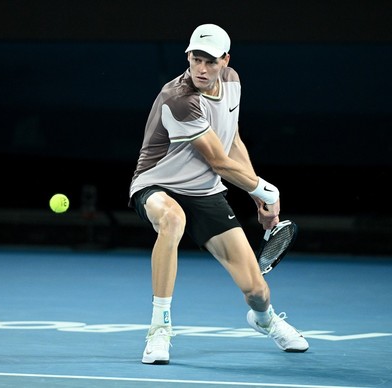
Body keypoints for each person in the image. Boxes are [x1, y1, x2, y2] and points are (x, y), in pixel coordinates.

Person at [128, 23, 309, 365]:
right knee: (172, 219)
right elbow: (218, 160)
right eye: (196, 59)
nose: (201, 68)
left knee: (256, 291)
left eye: (210, 61)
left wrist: (255, 189)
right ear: (188, 57)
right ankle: (159, 330)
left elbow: (232, 140)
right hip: (157, 184)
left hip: (205, 192)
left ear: (225, 60)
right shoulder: (179, 98)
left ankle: (265, 319)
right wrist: (268, 192)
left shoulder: (233, 82)